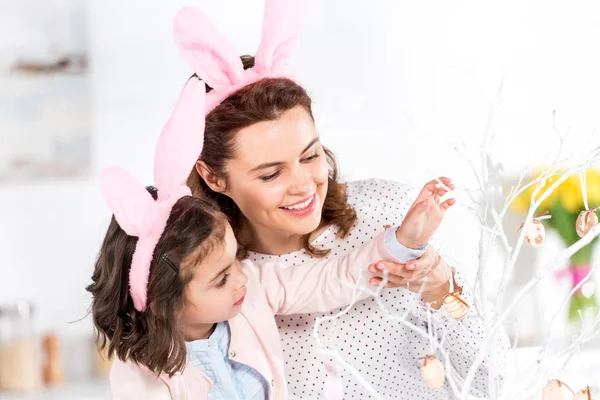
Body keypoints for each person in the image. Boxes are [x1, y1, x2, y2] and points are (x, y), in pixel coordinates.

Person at [175, 1, 509, 398]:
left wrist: (441, 288)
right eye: (270, 173)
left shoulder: (389, 215)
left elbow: (498, 377)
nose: (303, 185)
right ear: (213, 176)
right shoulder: (217, 278)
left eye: (310, 156)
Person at [87, 77, 455, 399]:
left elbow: (334, 278)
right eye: (270, 175)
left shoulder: (254, 291)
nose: (243, 274)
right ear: (164, 302)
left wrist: (403, 243)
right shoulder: (141, 372)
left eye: (310, 156)